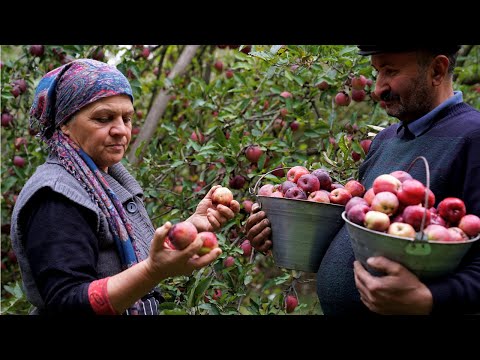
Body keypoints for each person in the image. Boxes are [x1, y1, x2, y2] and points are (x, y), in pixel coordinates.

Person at [246, 45, 480, 315]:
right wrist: (283, 231)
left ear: (436, 70)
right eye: (377, 72)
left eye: (390, 71)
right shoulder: (386, 140)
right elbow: (358, 235)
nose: (377, 88)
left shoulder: (472, 138)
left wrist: (429, 298)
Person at [10, 59, 240, 315]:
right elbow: (68, 303)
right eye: (104, 118)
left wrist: (192, 225)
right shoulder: (56, 196)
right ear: (64, 123)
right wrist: (154, 271)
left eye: (127, 118)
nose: (121, 130)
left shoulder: (106, 180)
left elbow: (124, 260)